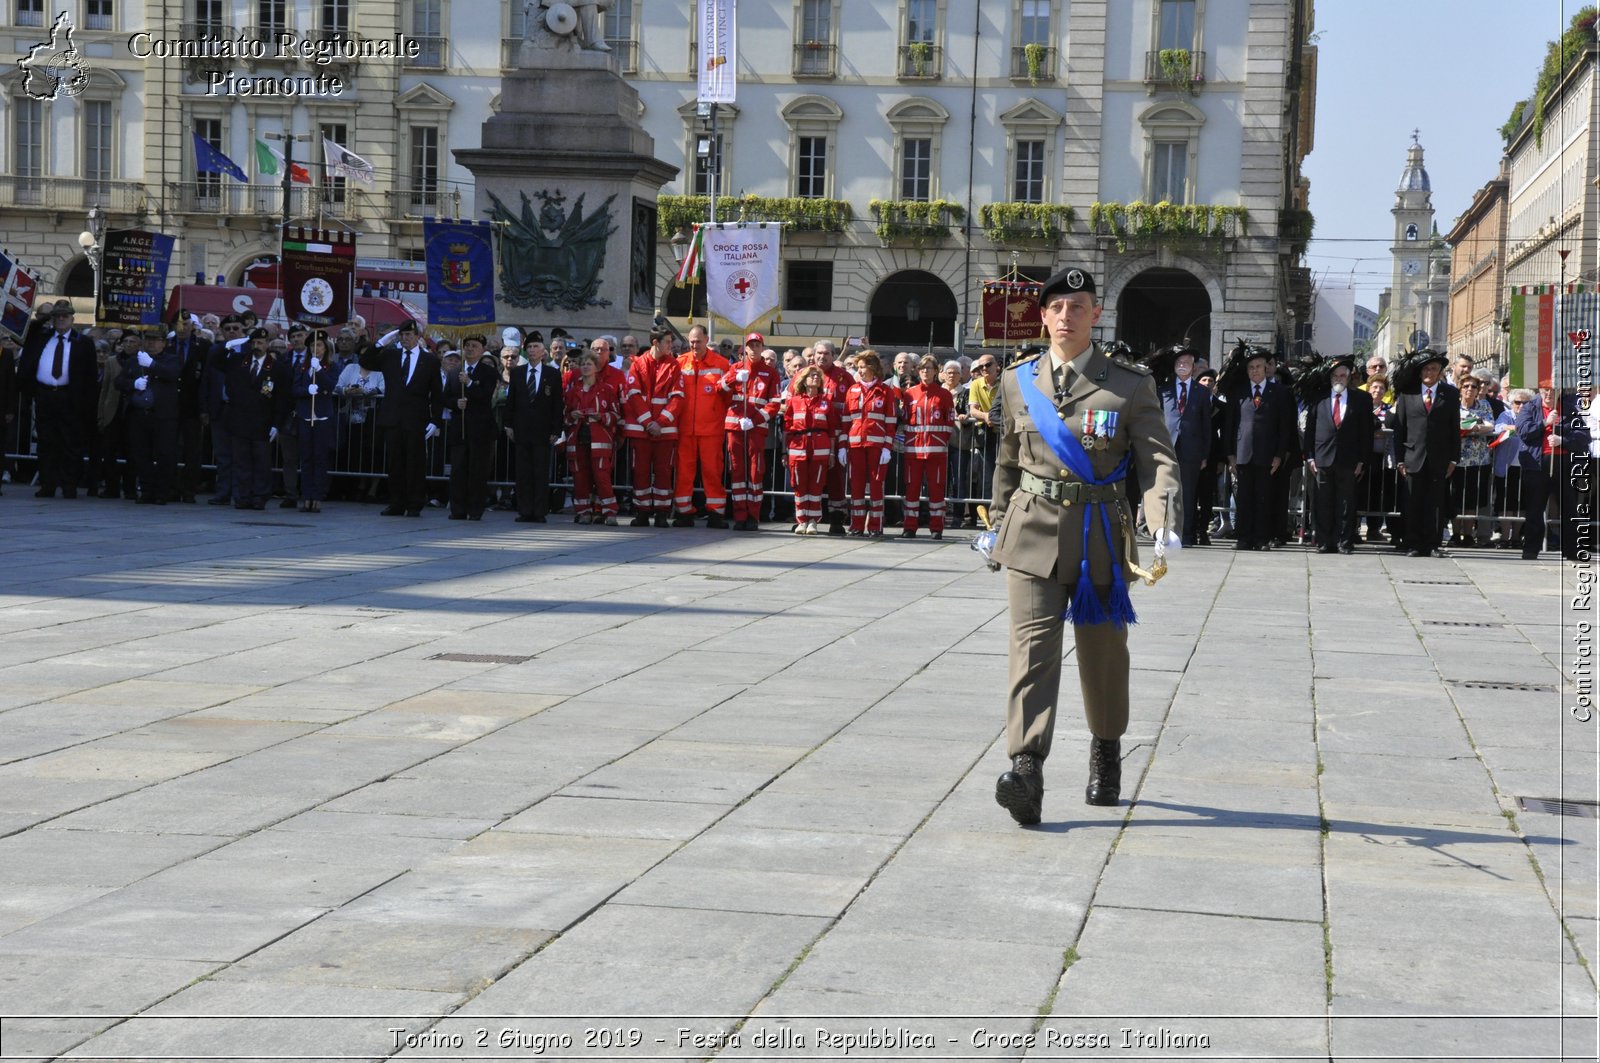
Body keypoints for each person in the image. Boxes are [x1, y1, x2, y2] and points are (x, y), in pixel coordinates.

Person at [985, 267, 1180, 827]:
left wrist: (1160, 517)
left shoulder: (1129, 384)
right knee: (1032, 651)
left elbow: (1158, 462)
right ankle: (1026, 768)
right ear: (1042, 316)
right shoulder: (1017, 380)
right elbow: (1006, 460)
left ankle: (1105, 748)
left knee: (1102, 655)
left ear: (1096, 314)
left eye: (1078, 307)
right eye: (1056, 308)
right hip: (1031, 533)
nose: (1066, 317)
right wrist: (999, 523)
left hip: (1099, 534)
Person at [19, 299, 96, 499]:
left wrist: (86, 403)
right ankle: (47, 484)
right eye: (57, 316)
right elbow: (27, 329)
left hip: (70, 396)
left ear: (72, 318)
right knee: (46, 442)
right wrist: (45, 316)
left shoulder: (83, 342)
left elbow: (90, 375)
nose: (61, 320)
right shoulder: (41, 336)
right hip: (45, 394)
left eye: (65, 316)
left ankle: (69, 485)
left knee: (71, 443)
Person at [1224, 347, 1297, 550]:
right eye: (1251, 368)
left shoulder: (1280, 393)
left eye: (1258, 367)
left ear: (1266, 368)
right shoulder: (1239, 393)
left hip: (1268, 456)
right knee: (1244, 498)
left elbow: (1284, 428)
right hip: (1243, 454)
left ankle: (1262, 538)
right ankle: (1244, 537)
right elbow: (1230, 425)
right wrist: (1230, 455)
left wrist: (1279, 456)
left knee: (1264, 498)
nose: (1255, 371)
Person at [1301, 356, 1375, 554]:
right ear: (1330, 377)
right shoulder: (1318, 398)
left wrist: (1362, 460)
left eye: (1343, 375)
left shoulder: (1361, 399)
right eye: (1335, 375)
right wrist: (1309, 456)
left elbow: (1366, 432)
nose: (1339, 379)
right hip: (1323, 458)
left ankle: (1344, 541)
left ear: (1349, 377)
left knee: (1346, 503)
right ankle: (1325, 541)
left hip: (1349, 459)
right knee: (1323, 502)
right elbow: (1310, 430)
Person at [1391, 351, 1460, 557]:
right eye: (1427, 369)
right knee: (1412, 502)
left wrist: (1453, 458)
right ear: (1420, 372)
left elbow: (1454, 428)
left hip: (1439, 458)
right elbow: (1399, 429)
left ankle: (1433, 544)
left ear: (1440, 372)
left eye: (1435, 369)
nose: (1430, 372)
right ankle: (1413, 542)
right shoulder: (1407, 394)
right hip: (1413, 456)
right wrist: (1400, 459)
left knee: (1436, 503)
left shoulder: (1449, 393)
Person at [375, 320, 442, 517]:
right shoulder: (391, 355)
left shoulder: (429, 360)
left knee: (415, 463)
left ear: (417, 336)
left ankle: (414, 503)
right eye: (402, 335)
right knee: (395, 463)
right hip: (393, 418)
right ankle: (396, 503)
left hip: (416, 419)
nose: (405, 338)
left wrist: (435, 419)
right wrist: (381, 342)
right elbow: (367, 361)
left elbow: (436, 393)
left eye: (409, 335)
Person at [621, 327, 684, 528]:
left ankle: (661, 513)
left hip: (664, 431)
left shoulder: (674, 366)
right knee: (640, 471)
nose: (670, 345)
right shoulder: (638, 364)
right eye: (667, 342)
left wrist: (660, 422)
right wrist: (649, 423)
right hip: (642, 430)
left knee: (663, 472)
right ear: (656, 343)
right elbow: (634, 395)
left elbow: (678, 398)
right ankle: (642, 512)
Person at [720, 332, 783, 531]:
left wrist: (755, 419)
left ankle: (753, 516)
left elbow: (774, 403)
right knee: (737, 470)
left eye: (758, 345)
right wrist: (733, 378)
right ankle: (739, 515)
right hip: (735, 426)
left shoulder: (771, 373)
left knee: (756, 472)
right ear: (745, 348)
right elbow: (718, 389)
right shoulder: (735, 368)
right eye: (751, 345)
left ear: (762, 349)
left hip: (756, 428)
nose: (754, 349)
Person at [223, 327, 290, 510]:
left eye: (260, 342)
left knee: (261, 463)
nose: (256, 346)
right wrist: (228, 346)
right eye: (253, 342)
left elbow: (281, 399)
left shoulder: (276, 368)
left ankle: (260, 496)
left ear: (267, 344)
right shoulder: (239, 362)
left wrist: (277, 424)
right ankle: (243, 496)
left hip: (263, 423)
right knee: (241, 462)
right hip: (240, 421)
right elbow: (216, 362)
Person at [672, 325, 731, 528]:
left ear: (706, 339)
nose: (694, 345)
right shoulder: (680, 363)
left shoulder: (722, 364)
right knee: (684, 472)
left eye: (698, 341)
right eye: (691, 341)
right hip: (685, 428)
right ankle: (683, 512)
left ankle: (716, 513)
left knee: (712, 472)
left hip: (712, 429)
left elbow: (729, 396)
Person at [115, 328, 181, 504]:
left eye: (156, 339)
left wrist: (152, 365)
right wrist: (133, 384)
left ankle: (161, 492)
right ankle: (146, 490)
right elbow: (119, 381)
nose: (151, 343)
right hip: (139, 415)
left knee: (165, 455)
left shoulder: (171, 359)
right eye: (148, 339)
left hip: (163, 416)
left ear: (164, 343)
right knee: (141, 455)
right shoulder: (134, 360)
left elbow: (172, 374)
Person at [1157, 346, 1213, 545]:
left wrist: (1204, 454)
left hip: (1192, 450)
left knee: (1188, 494)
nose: (1183, 366)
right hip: (1168, 448)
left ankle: (1186, 534)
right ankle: (1166, 532)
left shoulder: (1202, 392)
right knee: (1166, 492)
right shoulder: (1163, 390)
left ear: (1193, 367)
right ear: (1174, 366)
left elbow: (1207, 425)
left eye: (1187, 363)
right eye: (1179, 363)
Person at [506, 331, 564, 523]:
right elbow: (511, 402)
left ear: (543, 351)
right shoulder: (517, 373)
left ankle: (539, 511)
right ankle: (524, 510)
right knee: (522, 472)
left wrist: (556, 429)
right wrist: (509, 425)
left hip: (542, 431)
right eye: (529, 347)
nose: (532, 350)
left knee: (540, 472)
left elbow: (557, 404)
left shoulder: (552, 374)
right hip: (522, 430)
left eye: (536, 347)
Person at [842, 350, 897, 537]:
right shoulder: (852, 390)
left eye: (863, 367)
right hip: (855, 445)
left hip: (876, 446)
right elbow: (846, 420)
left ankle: (875, 525)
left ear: (873, 368)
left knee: (876, 485)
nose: (860, 371)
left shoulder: (884, 391)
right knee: (856, 485)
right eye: (858, 368)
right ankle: (856, 525)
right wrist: (843, 446)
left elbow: (890, 422)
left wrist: (887, 448)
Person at [443, 335, 499, 521]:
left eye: (474, 346)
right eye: (467, 346)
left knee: (478, 471)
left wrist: (468, 383)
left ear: (482, 349)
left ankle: (475, 509)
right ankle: (457, 509)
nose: (469, 349)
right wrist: (455, 403)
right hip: (460, 428)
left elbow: (485, 397)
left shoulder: (488, 372)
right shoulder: (454, 372)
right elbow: (445, 397)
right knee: (458, 469)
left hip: (481, 430)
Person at [900, 354, 954, 539]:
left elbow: (949, 421)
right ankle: (909, 527)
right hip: (913, 451)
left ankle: (936, 528)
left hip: (936, 451)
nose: (925, 371)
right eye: (922, 368)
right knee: (912, 489)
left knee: (937, 490)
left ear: (936, 371)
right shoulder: (909, 394)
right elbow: (905, 419)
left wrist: (940, 441)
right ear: (918, 371)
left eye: (929, 368)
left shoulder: (944, 395)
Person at [564, 350, 621, 524]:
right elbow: (565, 415)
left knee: (601, 477)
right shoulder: (573, 391)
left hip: (599, 439)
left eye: (589, 364)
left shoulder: (606, 390)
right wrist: (572, 415)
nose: (585, 367)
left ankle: (609, 512)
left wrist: (601, 417)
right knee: (580, 477)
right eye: (583, 364)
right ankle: (584, 512)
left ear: (596, 367)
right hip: (578, 438)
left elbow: (616, 415)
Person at [783, 364, 837, 534]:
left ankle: (813, 521)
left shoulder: (826, 402)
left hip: (820, 448)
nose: (815, 378)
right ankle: (801, 521)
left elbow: (832, 430)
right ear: (804, 380)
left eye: (817, 376)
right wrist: (785, 452)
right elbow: (786, 427)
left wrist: (832, 453)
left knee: (816, 486)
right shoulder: (794, 401)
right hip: (797, 447)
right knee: (799, 485)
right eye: (811, 376)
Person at [810, 341, 854, 534]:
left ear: (834, 355)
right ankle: (808, 518)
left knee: (836, 478)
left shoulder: (845, 378)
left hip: (837, 436)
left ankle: (837, 519)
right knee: (811, 478)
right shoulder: (806, 375)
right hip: (813, 436)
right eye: (819, 353)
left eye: (826, 353)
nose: (822, 357)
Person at [1450, 376, 1498, 546]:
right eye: (1466, 386)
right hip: (1457, 459)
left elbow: (1490, 425)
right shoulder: (1453, 405)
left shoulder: (1484, 405)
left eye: (1473, 386)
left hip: (1479, 459)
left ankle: (1468, 534)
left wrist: (1475, 427)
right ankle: (1456, 534)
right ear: (1460, 388)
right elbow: (1451, 425)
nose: (1469, 389)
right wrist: (1472, 426)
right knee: (1456, 497)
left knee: (1472, 499)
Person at [291, 339, 338, 513]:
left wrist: (319, 370)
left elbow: (331, 385)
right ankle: (306, 496)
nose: (315, 348)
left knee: (320, 458)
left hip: (322, 417)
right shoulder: (302, 367)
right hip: (305, 416)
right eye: (312, 346)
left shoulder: (331, 366)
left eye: (319, 345)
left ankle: (317, 496)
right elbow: (295, 389)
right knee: (306, 458)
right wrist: (306, 391)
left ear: (325, 348)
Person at [170, 313, 209, 502]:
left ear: (192, 326)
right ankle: (171, 487)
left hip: (193, 407)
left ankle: (189, 489)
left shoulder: (202, 347)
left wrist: (204, 408)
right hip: (169, 406)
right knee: (169, 449)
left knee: (192, 451)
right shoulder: (167, 347)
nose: (182, 328)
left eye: (185, 324)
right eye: (178, 324)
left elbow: (206, 379)